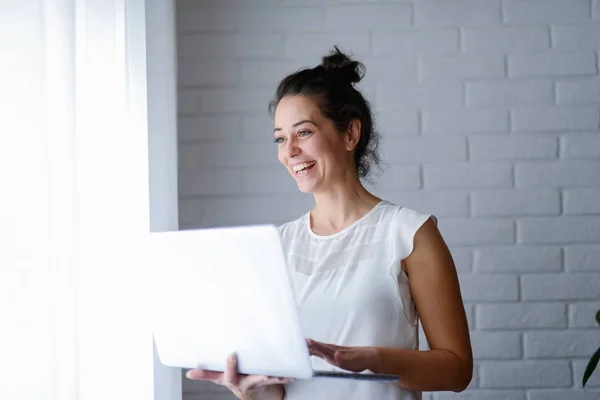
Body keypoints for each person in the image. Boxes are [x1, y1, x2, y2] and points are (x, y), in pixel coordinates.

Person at [185, 46, 473, 400]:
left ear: (350, 133)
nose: (288, 150)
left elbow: (457, 370)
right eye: (279, 138)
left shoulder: (409, 234)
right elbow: (280, 387)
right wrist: (247, 390)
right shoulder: (279, 246)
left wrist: (371, 359)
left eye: (303, 132)